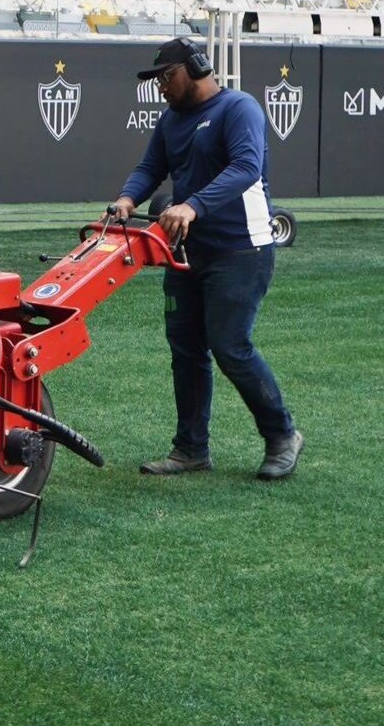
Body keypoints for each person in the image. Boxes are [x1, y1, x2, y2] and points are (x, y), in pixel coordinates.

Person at [111, 37, 303, 480]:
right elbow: (150, 168)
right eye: (157, 79)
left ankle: (282, 435)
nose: (160, 86)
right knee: (186, 349)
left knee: (230, 344)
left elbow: (246, 167)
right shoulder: (171, 120)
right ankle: (190, 449)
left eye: (166, 76)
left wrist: (192, 205)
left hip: (241, 248)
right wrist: (126, 198)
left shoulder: (239, 109)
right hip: (186, 252)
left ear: (196, 67)